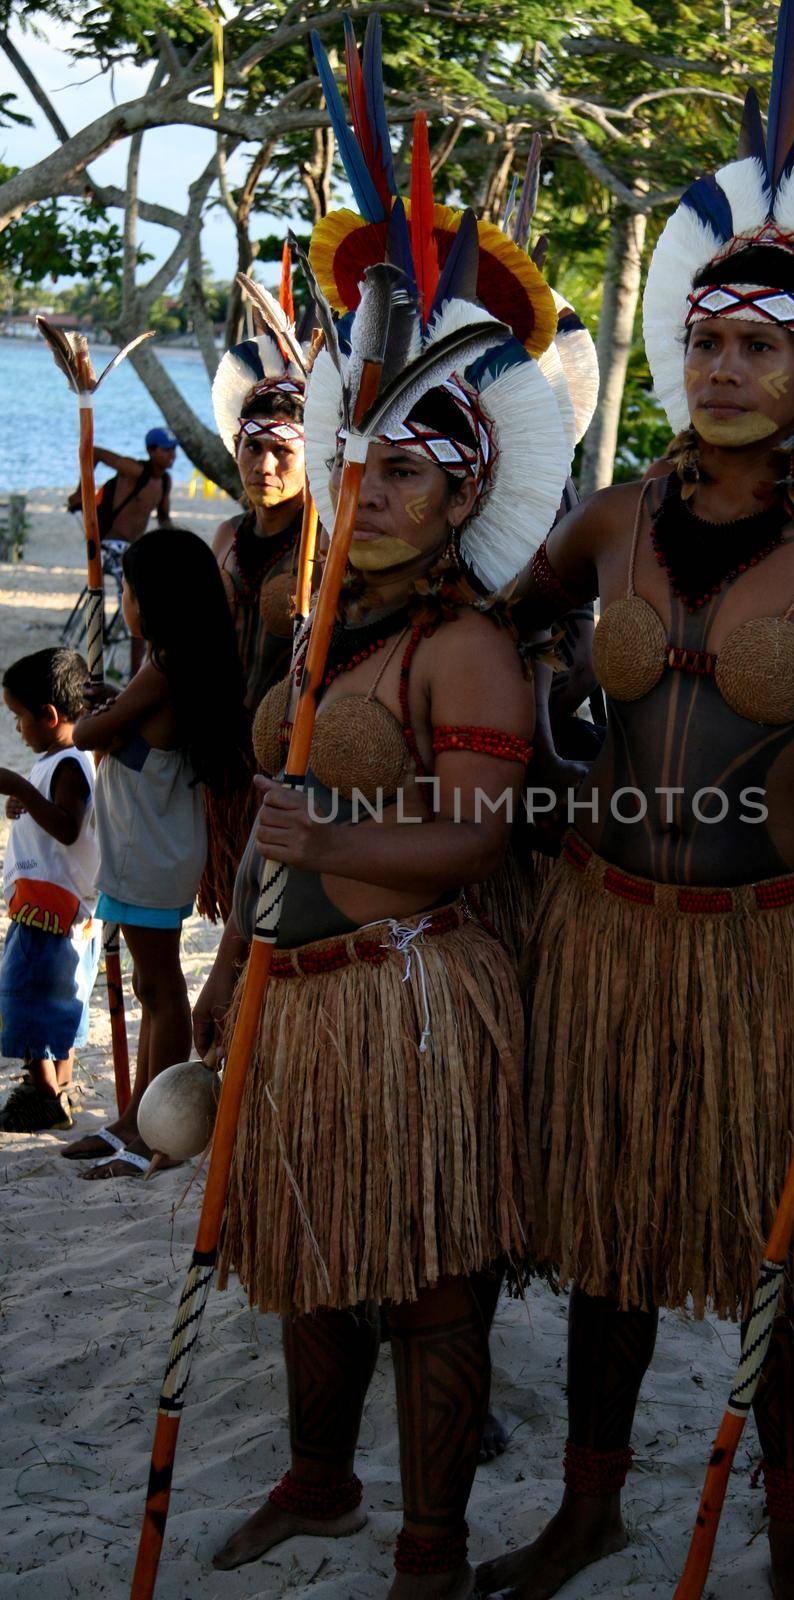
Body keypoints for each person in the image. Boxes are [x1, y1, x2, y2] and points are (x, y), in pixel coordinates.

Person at [472, 8, 794, 1599]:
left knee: (779, 1264)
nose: (720, 369)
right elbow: (503, 626)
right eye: (702, 343)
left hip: (762, 949)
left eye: (756, 347)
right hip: (607, 931)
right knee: (607, 1243)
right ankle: (589, 1507)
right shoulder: (612, 519)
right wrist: (513, 726)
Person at [190, 54, 571, 1591]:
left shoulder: (466, 648)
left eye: (414, 470)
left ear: (466, 484)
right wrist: (229, 984)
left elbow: (475, 841)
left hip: (415, 990)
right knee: (304, 1263)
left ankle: (425, 1538)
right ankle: (316, 1481)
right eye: (367, 463)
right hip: (296, 996)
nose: (381, 489)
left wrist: (326, 847)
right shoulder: (316, 628)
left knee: (425, 1282)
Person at [61, 529, 247, 1178]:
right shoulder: (176, 661)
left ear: (151, 600)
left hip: (149, 847)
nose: (122, 600)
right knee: (149, 982)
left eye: (127, 591)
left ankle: (153, 1134)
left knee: (161, 988)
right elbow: (141, 739)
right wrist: (116, 708)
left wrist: (97, 710)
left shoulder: (165, 664)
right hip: (149, 842)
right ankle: (136, 1115)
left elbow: (87, 734)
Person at [0, 648, 98, 1133]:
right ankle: (54, 1086)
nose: (18, 728)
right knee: (57, 1000)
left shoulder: (71, 765)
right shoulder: (57, 761)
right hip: (56, 907)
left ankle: (45, 1095)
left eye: (19, 718)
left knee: (30, 998)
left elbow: (66, 827)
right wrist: (24, 800)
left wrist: (19, 783)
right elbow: (48, 813)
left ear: (50, 716)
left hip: (50, 911)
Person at [210, 348, 310, 714]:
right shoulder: (226, 536)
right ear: (236, 448)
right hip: (216, 736)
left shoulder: (322, 545)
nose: (263, 466)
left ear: (310, 457)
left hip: (286, 745)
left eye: (282, 451)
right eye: (253, 447)